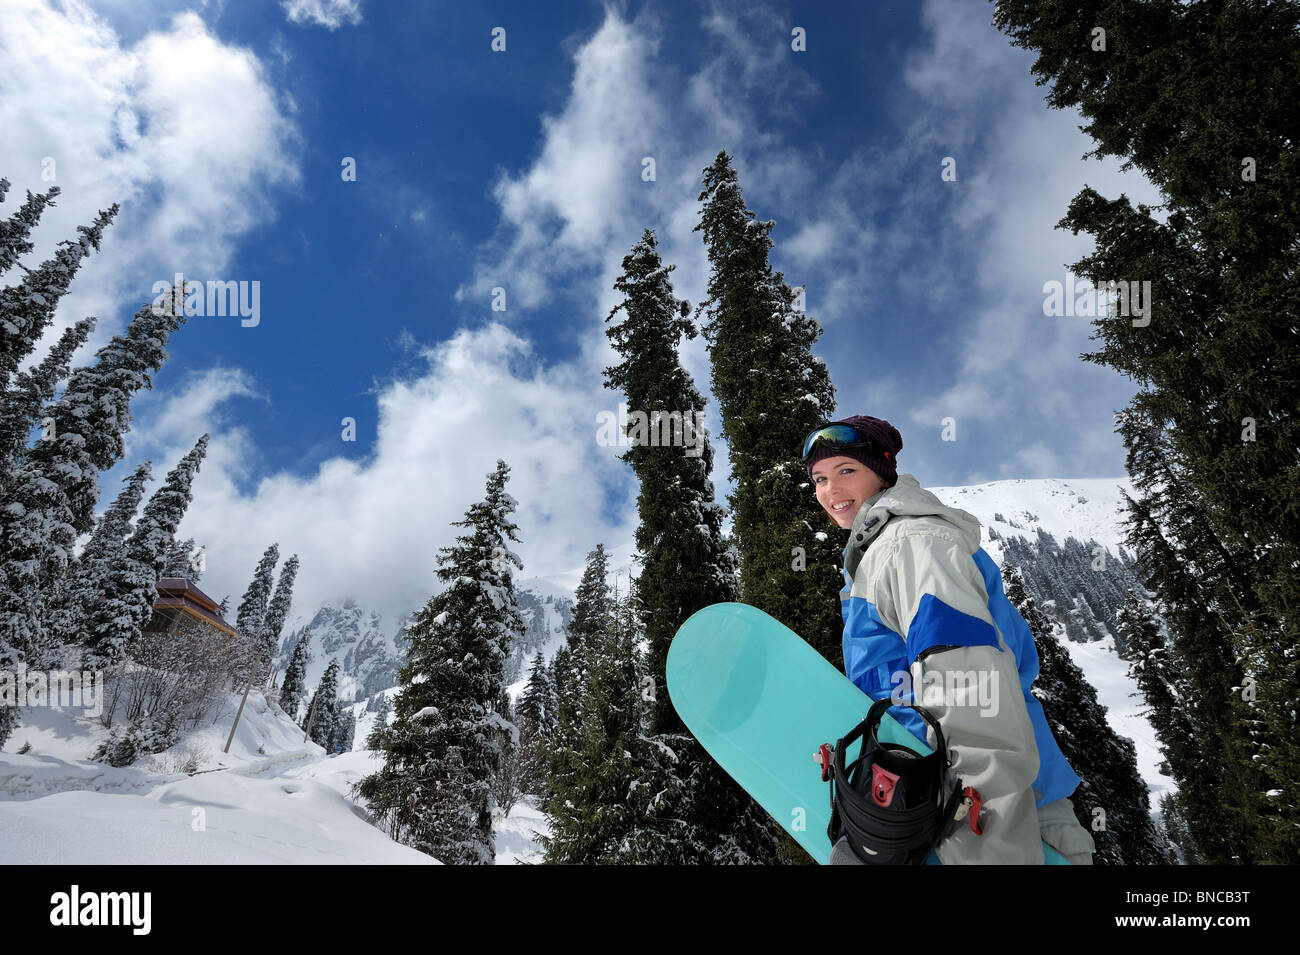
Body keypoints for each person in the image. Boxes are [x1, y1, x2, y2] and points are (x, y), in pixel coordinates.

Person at [803, 415, 1095, 865]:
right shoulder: (881, 551)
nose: (830, 491)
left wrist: (984, 840)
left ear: (881, 473)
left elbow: (972, 689)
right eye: (820, 479)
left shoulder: (913, 543)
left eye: (847, 471)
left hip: (999, 815)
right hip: (933, 803)